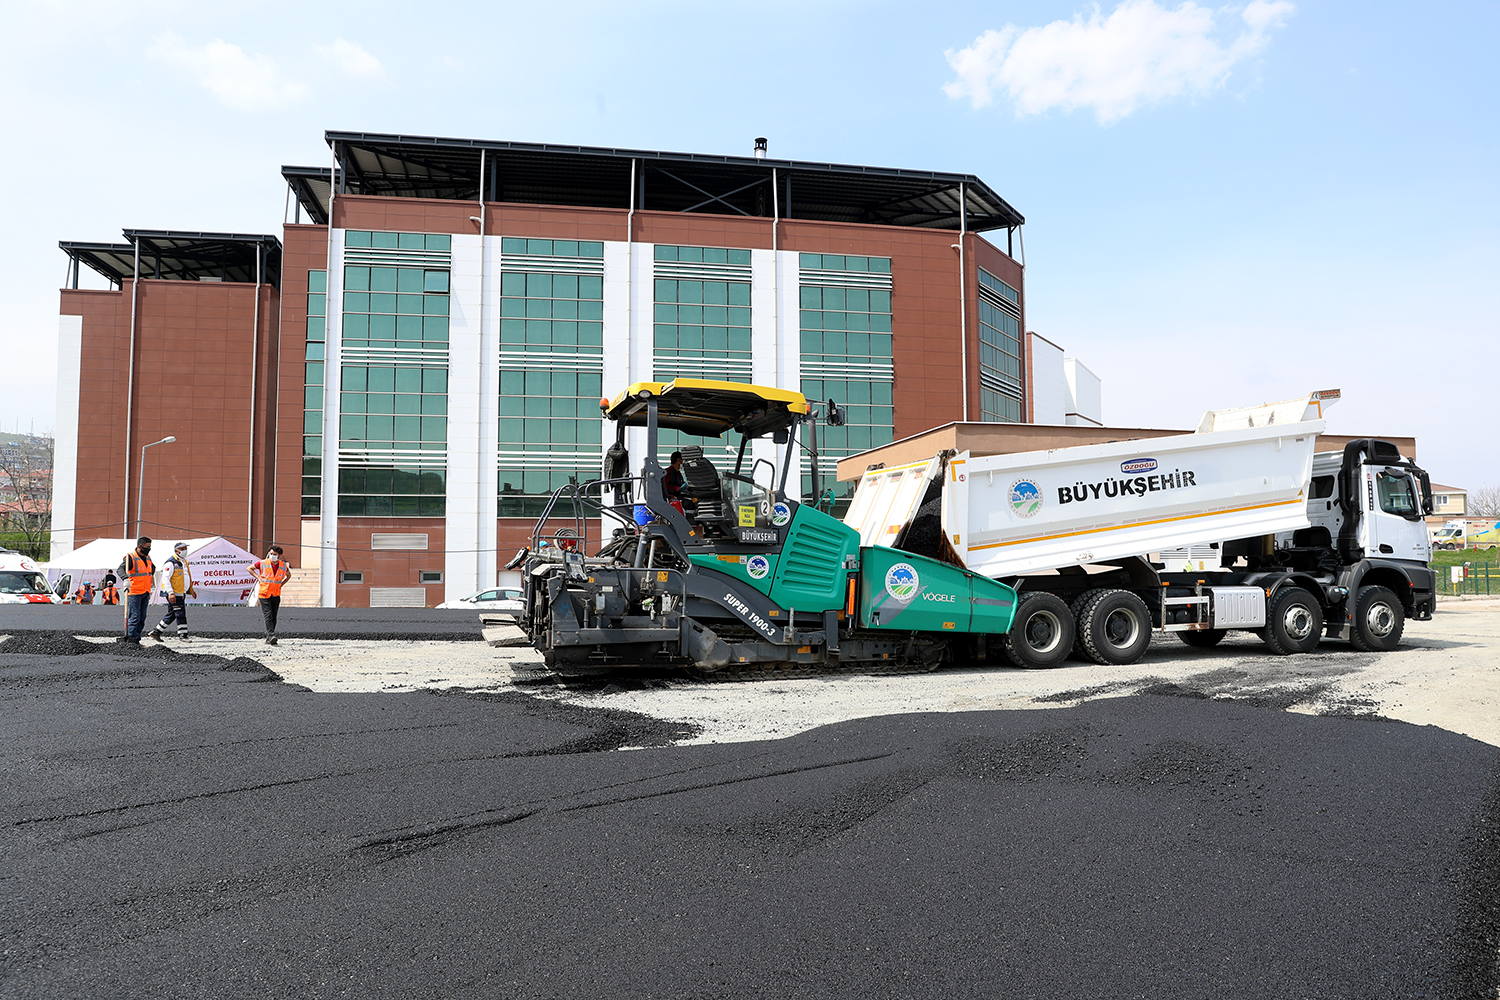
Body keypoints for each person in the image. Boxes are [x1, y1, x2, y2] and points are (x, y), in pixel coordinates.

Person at [148, 542, 196, 642]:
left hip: (180, 592)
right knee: (180, 613)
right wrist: (170, 593)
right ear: (176, 551)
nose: (185, 550)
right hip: (174, 593)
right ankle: (183, 636)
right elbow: (165, 579)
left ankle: (156, 632)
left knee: (173, 613)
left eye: (185, 548)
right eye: (182, 549)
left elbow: (186, 577)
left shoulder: (183, 562)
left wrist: (191, 590)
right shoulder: (171, 562)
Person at [249, 545, 291, 645]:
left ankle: (269, 637)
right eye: (271, 554)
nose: (272, 556)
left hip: (276, 594)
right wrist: (258, 578)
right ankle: (271, 635)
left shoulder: (283, 565)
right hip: (264, 593)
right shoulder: (263, 563)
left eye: (275, 554)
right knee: (268, 615)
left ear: (279, 555)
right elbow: (249, 568)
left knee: (273, 616)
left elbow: (288, 576)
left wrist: (281, 584)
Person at [115, 537, 155, 643]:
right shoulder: (130, 557)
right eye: (147, 547)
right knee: (135, 616)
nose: (149, 549)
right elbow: (120, 570)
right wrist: (125, 579)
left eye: (150, 547)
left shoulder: (148, 558)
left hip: (146, 591)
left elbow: (151, 570)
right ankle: (131, 640)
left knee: (142, 618)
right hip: (134, 592)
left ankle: (136, 640)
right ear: (140, 547)